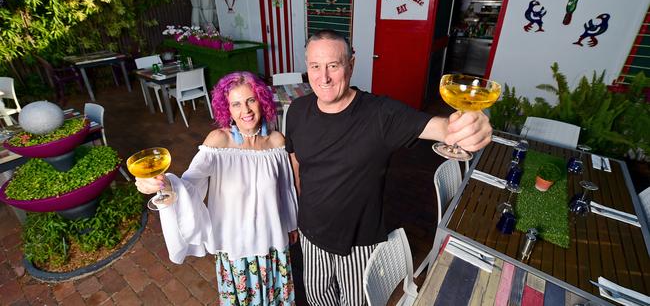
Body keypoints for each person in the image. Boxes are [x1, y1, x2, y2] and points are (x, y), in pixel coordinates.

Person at [285, 29, 493, 305]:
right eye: (315, 66)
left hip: (358, 243)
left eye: (333, 66)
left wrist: (464, 128)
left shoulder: (381, 114)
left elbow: (440, 127)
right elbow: (295, 165)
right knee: (318, 298)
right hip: (311, 236)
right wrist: (294, 216)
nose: (323, 77)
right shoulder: (297, 110)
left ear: (351, 65)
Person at [135, 71, 299, 305]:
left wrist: (291, 223)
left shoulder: (276, 142)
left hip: (272, 243)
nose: (246, 110)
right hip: (236, 248)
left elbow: (285, 189)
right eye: (236, 104)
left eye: (251, 100)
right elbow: (191, 183)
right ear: (228, 109)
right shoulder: (219, 142)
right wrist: (166, 184)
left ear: (262, 101)